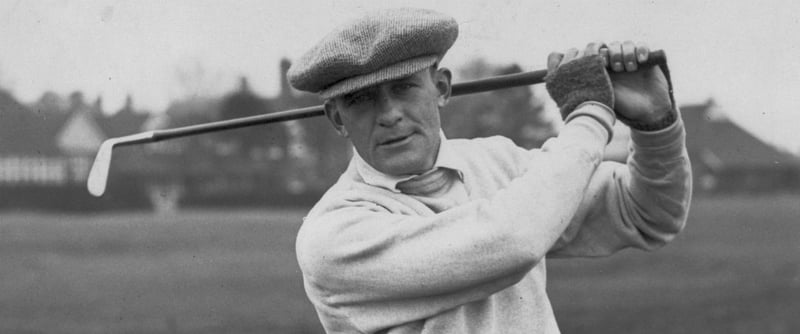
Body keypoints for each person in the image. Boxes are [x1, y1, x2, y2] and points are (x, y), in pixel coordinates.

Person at [287, 7, 691, 334]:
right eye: (361, 100)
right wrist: (589, 113)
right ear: (336, 119)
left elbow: (649, 215)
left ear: (442, 88)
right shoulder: (332, 234)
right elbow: (511, 242)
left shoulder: (499, 162)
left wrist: (656, 125)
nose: (390, 114)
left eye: (404, 88)